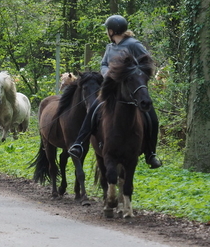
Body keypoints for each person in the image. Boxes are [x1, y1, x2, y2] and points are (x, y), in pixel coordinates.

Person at [67, 14, 162, 169]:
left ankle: (151, 153)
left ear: (112, 31)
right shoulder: (110, 47)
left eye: (107, 29)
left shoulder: (133, 44)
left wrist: (132, 75)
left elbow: (147, 63)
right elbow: (104, 63)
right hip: (111, 90)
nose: (107, 32)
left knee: (152, 118)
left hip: (132, 90)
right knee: (93, 111)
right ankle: (79, 144)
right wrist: (107, 73)